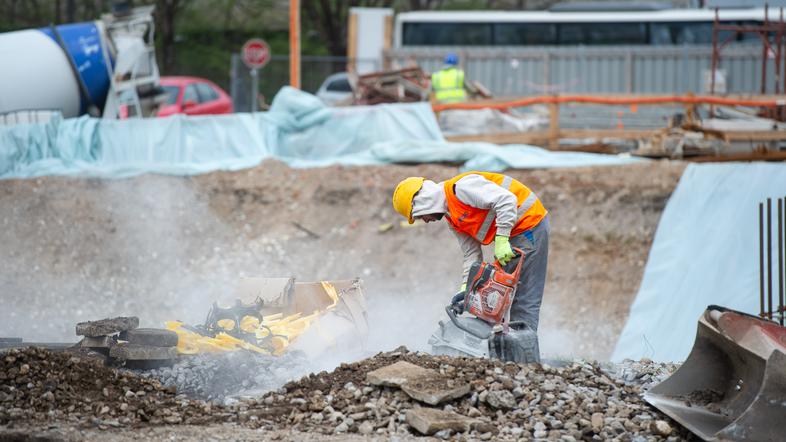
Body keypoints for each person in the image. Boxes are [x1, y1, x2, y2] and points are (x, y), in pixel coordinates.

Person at [392, 172, 549, 333]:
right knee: (495, 298)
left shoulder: (461, 188)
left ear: (421, 201)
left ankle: (524, 346)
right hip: (512, 232)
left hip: (529, 223)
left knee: (523, 299)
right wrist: (466, 289)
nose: (425, 221)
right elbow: (471, 254)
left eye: (419, 215)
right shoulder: (452, 218)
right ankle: (504, 344)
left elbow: (506, 201)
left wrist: (502, 239)